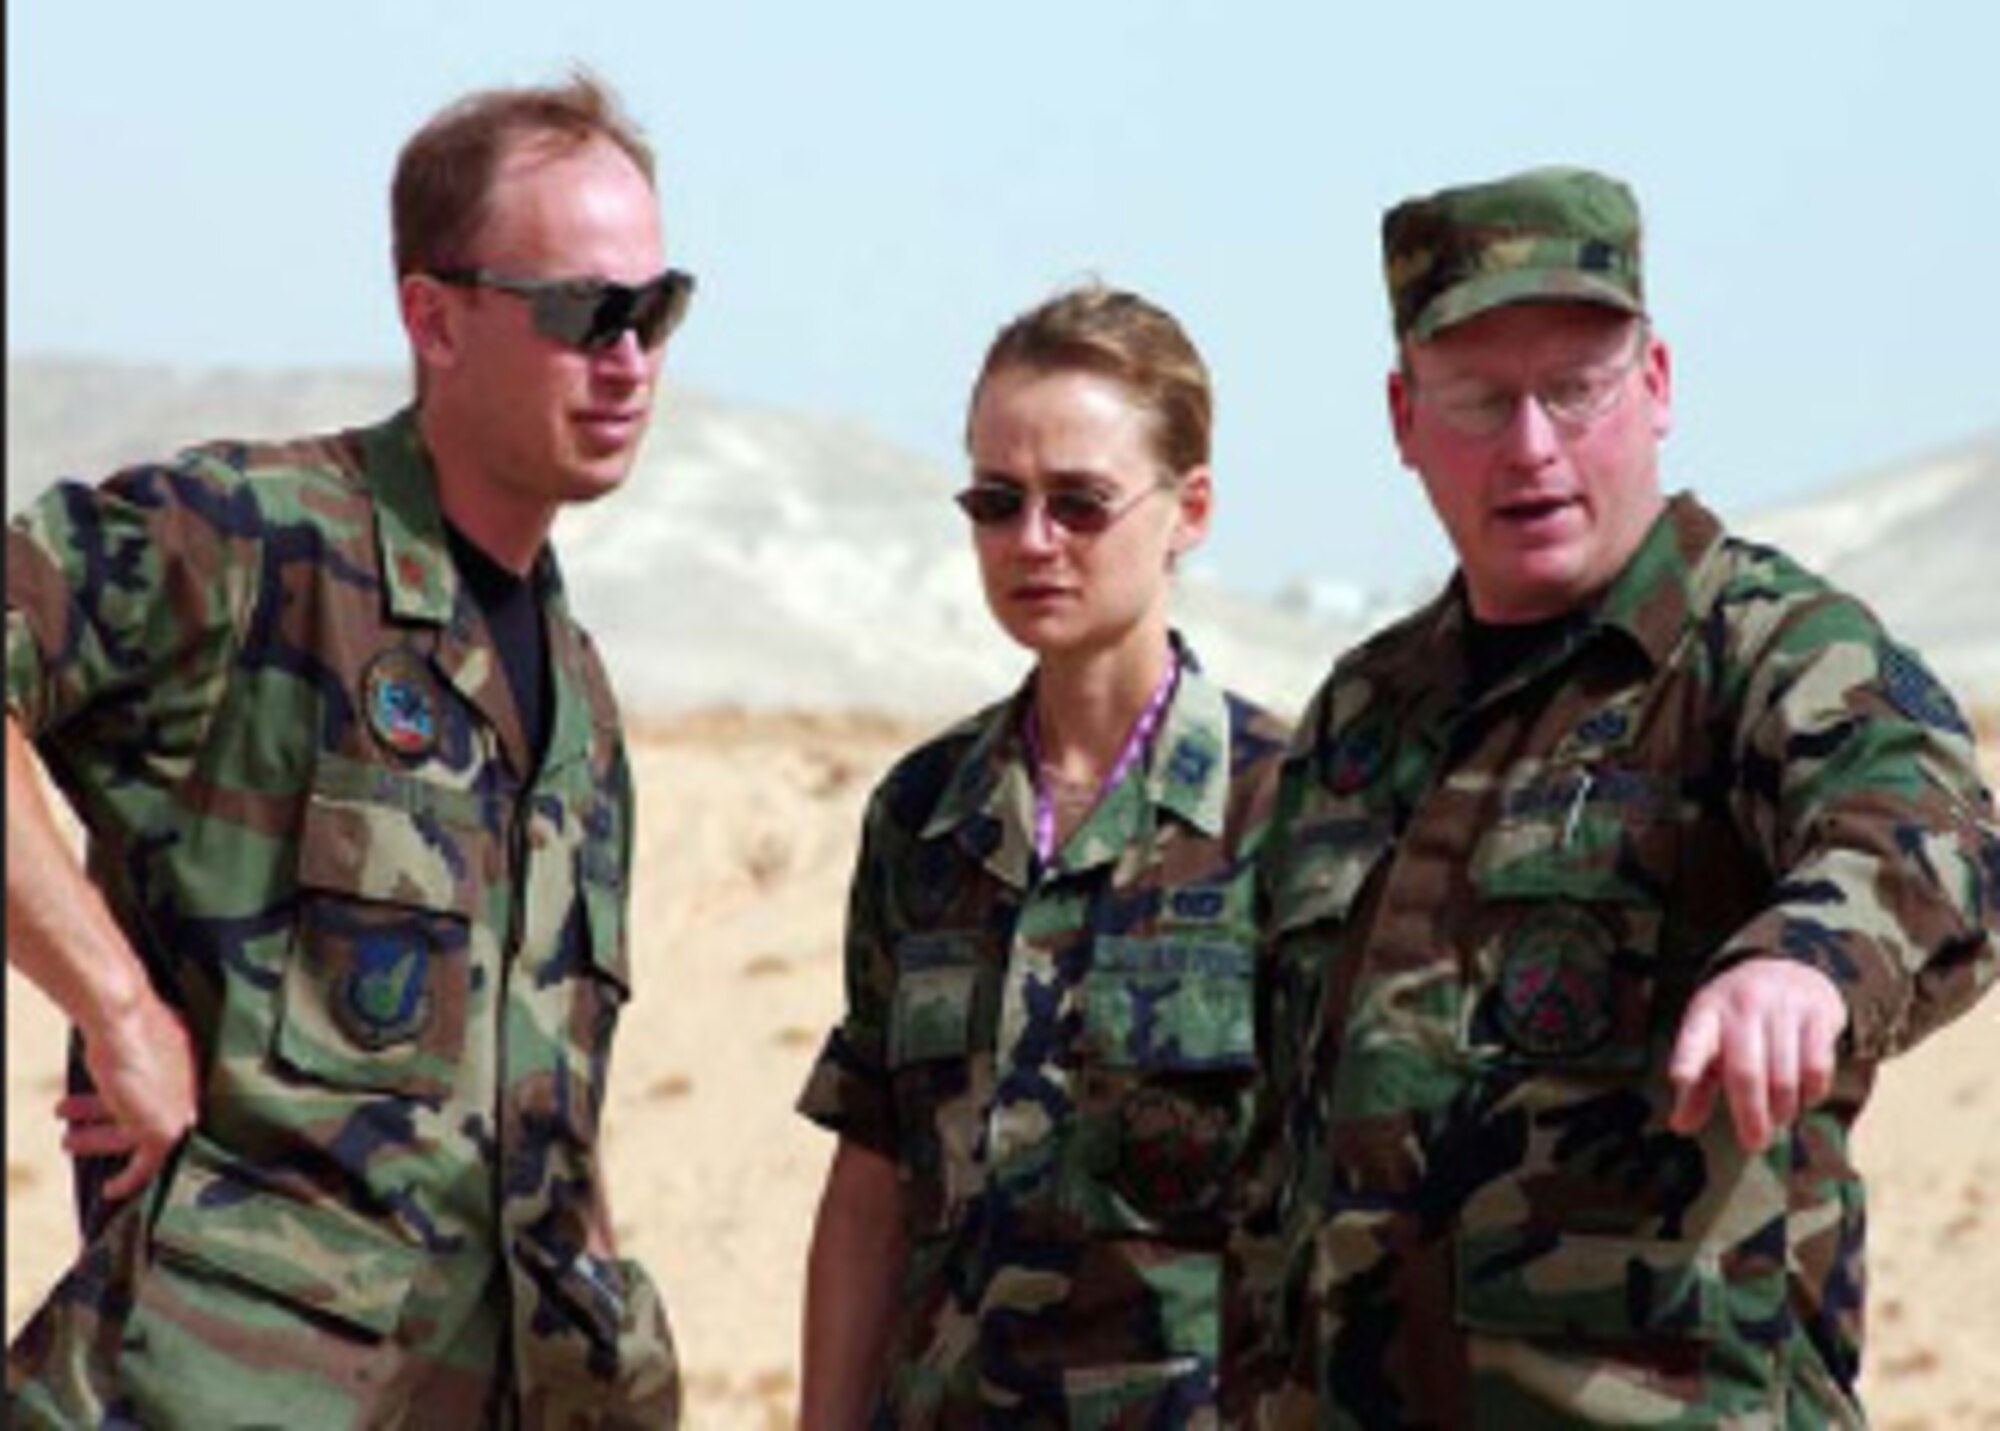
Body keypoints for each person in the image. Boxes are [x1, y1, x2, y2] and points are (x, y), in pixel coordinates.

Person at [1235, 166, 2000, 1426]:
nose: (1529, 446)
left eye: (1573, 392)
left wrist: (1801, 962)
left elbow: (1924, 828)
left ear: (1653, 388)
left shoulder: (1760, 647)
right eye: (1478, 401)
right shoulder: (1359, 721)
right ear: (1401, 420)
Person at [5, 73, 693, 1427]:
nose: (628, 358)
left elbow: (546, 1124)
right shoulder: (255, 546)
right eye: (583, 312)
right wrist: (119, 1010)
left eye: (655, 309)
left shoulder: (582, 713)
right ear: (432, 316)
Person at [796, 284, 1290, 1426]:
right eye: (994, 500)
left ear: (1189, 509)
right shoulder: (923, 814)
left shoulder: (1290, 809)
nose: (1032, 542)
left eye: (1079, 503)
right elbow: (872, 1175)